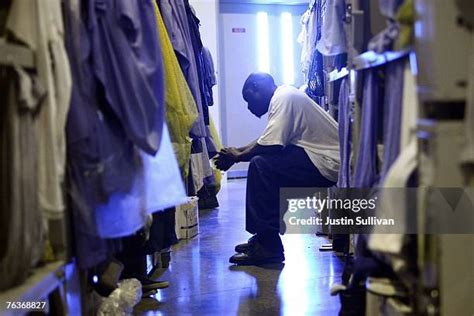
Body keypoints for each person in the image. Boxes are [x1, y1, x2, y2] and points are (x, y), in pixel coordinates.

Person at [215, 72, 340, 266]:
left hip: (327, 163)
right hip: (321, 159)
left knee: (261, 166)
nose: (249, 107)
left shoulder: (284, 97)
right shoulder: (283, 97)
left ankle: (268, 246)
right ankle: (265, 239)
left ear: (257, 87)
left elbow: (271, 145)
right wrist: (237, 152)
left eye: (249, 99)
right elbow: (267, 139)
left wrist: (238, 157)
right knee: (263, 163)